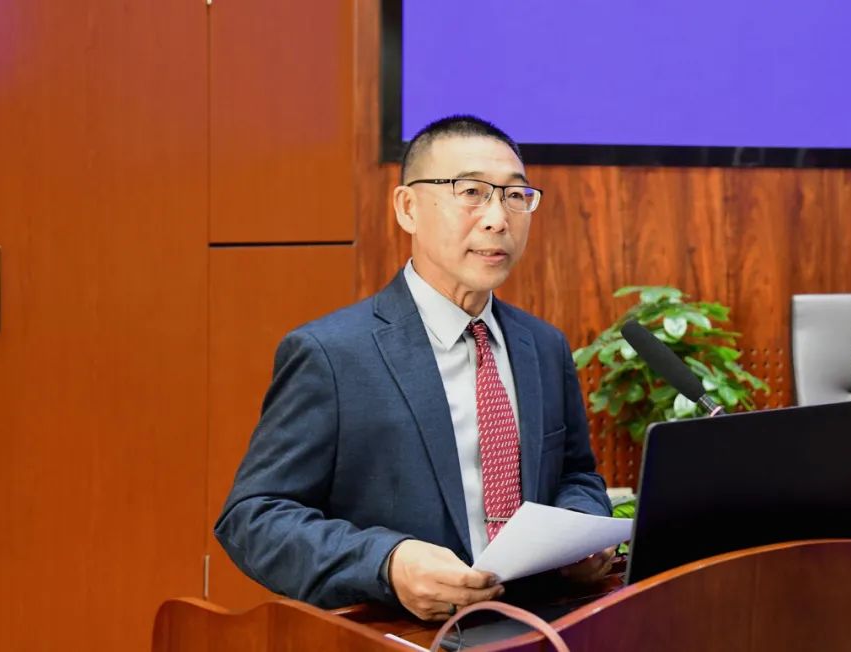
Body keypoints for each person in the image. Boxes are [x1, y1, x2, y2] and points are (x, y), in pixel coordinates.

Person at [214, 115, 613, 621]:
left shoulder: (543, 345)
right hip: (404, 634)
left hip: (539, 626)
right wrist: (387, 563)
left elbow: (576, 474)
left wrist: (581, 528)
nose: (497, 218)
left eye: (515, 195)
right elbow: (253, 518)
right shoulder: (331, 354)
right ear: (408, 208)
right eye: (472, 192)